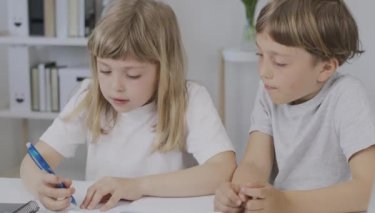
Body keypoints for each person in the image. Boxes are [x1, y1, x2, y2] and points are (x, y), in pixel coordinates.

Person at [20, 0, 236, 211]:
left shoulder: (190, 99)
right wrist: (40, 185)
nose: (115, 87)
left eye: (132, 75)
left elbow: (223, 169)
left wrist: (136, 186)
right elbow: (33, 162)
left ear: (164, 69)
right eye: (105, 70)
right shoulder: (90, 96)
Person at [214, 0, 375, 212]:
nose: (264, 71)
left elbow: (370, 189)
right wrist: (238, 193)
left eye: (280, 62)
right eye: (260, 55)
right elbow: (255, 163)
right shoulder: (268, 91)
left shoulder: (346, 95)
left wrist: (287, 202)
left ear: (326, 67)